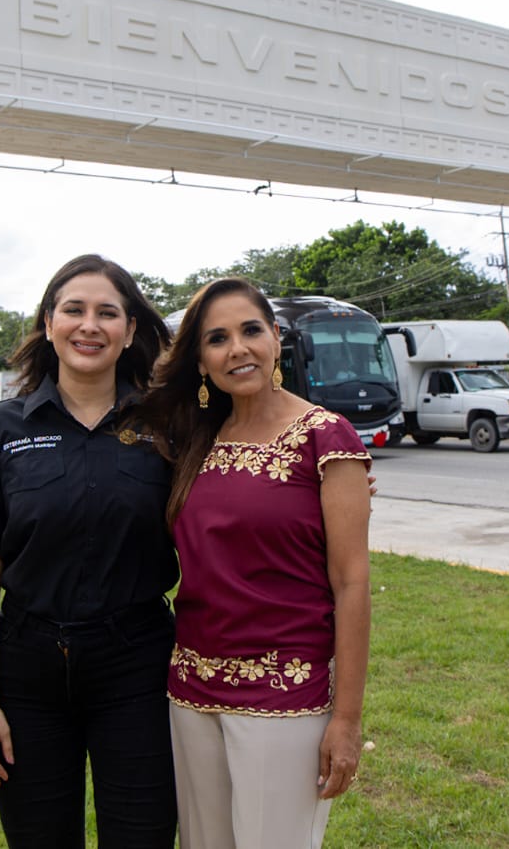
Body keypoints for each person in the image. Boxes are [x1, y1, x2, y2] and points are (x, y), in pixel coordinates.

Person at [0, 254, 178, 847]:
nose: (89, 325)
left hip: (138, 667)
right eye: (73, 310)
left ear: (129, 332)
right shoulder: (2, 428)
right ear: (49, 324)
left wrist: (329, 479)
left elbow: (240, 490)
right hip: (28, 673)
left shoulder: (169, 429)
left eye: (107, 313)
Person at [138, 277, 373, 849]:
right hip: (190, 689)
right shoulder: (194, 440)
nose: (237, 348)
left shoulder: (325, 438)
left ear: (275, 339)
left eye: (250, 330)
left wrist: (345, 721)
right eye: (216, 339)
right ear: (199, 361)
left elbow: (352, 583)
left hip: (284, 696)